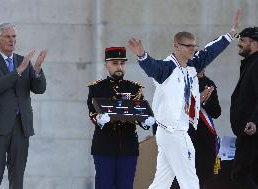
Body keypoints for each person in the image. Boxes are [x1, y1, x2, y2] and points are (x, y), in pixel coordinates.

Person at [127, 10, 240, 189]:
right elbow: (152, 67)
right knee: (190, 181)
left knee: (161, 182)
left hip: (173, 131)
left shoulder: (192, 66)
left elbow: (210, 51)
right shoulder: (167, 68)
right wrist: (142, 56)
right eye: (189, 46)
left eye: (194, 46)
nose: (193, 50)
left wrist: (231, 34)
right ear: (176, 46)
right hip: (174, 132)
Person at [0, 22, 47, 189]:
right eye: (7, 37)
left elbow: (39, 89)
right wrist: (18, 71)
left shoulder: (23, 61)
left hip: (20, 125)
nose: (12, 40)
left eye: (14, 36)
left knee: (18, 175)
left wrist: (37, 69)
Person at [87, 47, 155, 189]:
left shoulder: (134, 88)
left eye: (122, 63)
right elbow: (92, 113)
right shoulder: (97, 88)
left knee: (126, 186)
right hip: (104, 146)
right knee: (104, 185)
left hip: (128, 146)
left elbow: (140, 113)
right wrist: (100, 119)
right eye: (115, 63)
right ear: (106, 65)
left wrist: (147, 121)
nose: (119, 67)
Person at [171, 69, 222, 189]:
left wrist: (205, 102)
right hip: (184, 136)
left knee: (200, 179)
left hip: (203, 139)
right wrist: (197, 100)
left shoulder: (209, 83)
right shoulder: (181, 81)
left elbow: (216, 112)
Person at [230, 26, 258, 189]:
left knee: (240, 175)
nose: (239, 44)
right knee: (252, 174)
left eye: (242, 40)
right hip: (249, 130)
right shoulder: (250, 64)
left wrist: (254, 121)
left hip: (251, 132)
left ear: (254, 43)